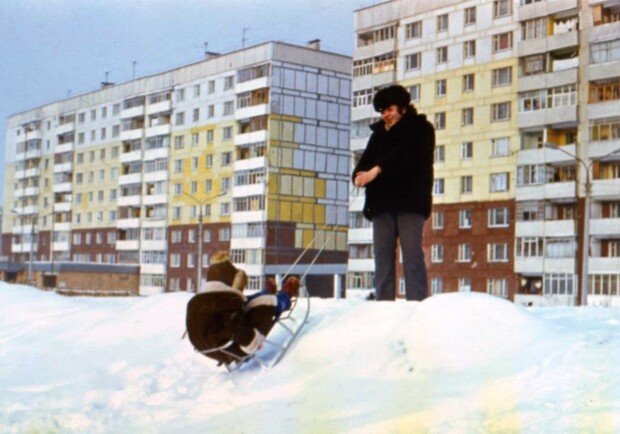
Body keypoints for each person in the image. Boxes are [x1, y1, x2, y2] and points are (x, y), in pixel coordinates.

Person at [352, 85, 435, 301]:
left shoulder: (421, 129)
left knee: (411, 255)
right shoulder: (378, 135)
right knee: (382, 257)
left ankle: (417, 303)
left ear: (403, 108)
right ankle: (383, 305)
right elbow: (365, 162)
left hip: (410, 202)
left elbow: (405, 156)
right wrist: (359, 175)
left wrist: (376, 170)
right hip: (382, 204)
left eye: (389, 109)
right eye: (382, 111)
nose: (385, 115)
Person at [185, 252, 299, 365]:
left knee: (245, 301)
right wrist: (252, 341)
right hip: (233, 348)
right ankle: (285, 297)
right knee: (264, 302)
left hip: (209, 350)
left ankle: (266, 292)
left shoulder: (196, 302)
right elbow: (235, 329)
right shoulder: (227, 302)